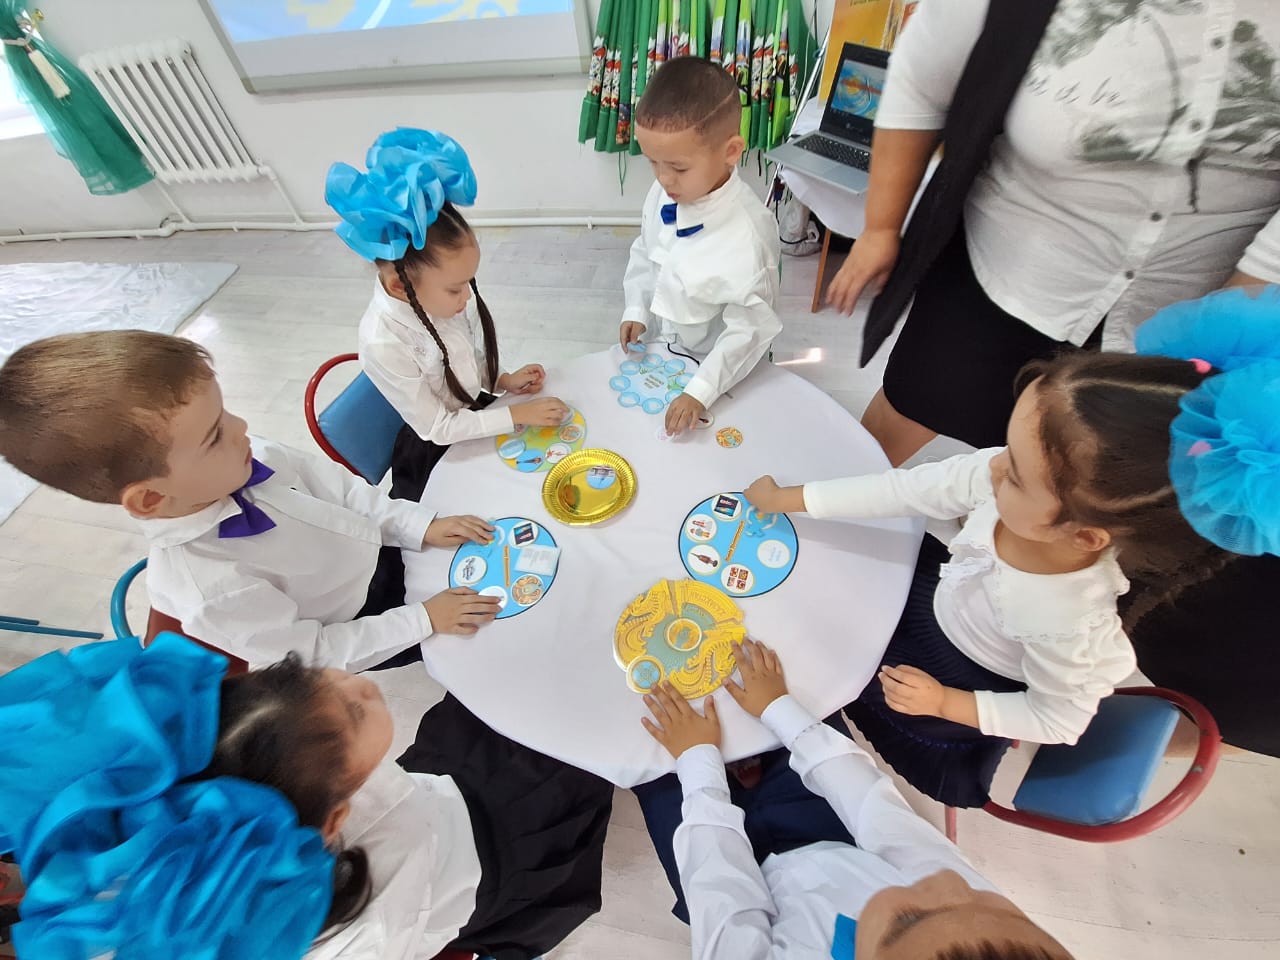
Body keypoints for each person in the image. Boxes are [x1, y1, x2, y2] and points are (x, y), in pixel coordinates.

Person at [744, 288, 1280, 806]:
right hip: (938, 603)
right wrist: (792, 497)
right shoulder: (1007, 477)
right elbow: (908, 489)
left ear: (1084, 536)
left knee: (809, 668)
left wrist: (944, 702)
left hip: (951, 680)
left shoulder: (1065, 621)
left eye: (1017, 474)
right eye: (1009, 446)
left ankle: (776, 754)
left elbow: (1058, 720)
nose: (993, 464)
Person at [824, 0, 1280, 467]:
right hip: (1003, 267)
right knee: (913, 406)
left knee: (1084, 472)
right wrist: (880, 228)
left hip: (1188, 313)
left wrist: (1229, 327)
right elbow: (921, 77)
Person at [0, 632, 614, 960]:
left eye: (299, 673)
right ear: (333, 819)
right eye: (352, 713)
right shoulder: (361, 933)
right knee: (573, 770)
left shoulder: (242, 808)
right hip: (492, 864)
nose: (354, 682)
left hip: (437, 796)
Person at [0, 330, 501, 671]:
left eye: (225, 414)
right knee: (494, 648)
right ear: (151, 497)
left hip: (380, 549)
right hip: (365, 620)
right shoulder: (211, 591)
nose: (241, 427)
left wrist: (416, 525)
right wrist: (423, 620)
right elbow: (312, 655)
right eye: (214, 435)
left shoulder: (247, 453)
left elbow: (343, 492)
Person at [638, 638, 1076, 959]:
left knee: (649, 751)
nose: (951, 881)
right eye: (1015, 913)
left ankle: (737, 765)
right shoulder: (960, 911)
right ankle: (751, 762)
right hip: (831, 835)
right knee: (789, 693)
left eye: (909, 919)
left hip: (723, 880)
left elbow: (720, 891)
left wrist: (698, 760)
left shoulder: (957, 911)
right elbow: (871, 802)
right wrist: (778, 708)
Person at [327, 128, 568, 503]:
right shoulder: (383, 342)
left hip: (470, 415)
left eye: (469, 282)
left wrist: (503, 379)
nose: (466, 297)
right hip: (435, 449)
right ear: (399, 286)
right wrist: (518, 414)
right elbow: (438, 427)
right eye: (456, 289)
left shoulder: (434, 300)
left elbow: (461, 359)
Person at [620, 56, 783, 435]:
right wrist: (637, 307)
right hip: (665, 349)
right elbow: (646, 250)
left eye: (678, 167)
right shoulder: (664, 192)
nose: (663, 179)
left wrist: (701, 390)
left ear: (731, 151)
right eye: (652, 162)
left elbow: (750, 329)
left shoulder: (748, 236)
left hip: (721, 368)